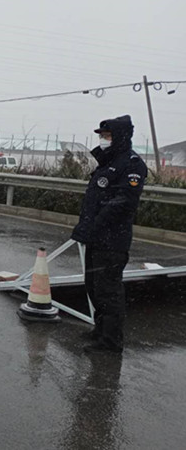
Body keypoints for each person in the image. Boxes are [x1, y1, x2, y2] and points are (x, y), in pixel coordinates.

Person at [71, 115, 147, 354]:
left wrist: (95, 225)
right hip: (96, 238)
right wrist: (86, 227)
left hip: (113, 240)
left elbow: (124, 202)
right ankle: (100, 330)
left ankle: (111, 341)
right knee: (93, 286)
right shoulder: (108, 161)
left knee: (108, 290)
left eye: (107, 136)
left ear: (120, 137)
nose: (103, 140)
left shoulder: (132, 164)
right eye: (102, 136)